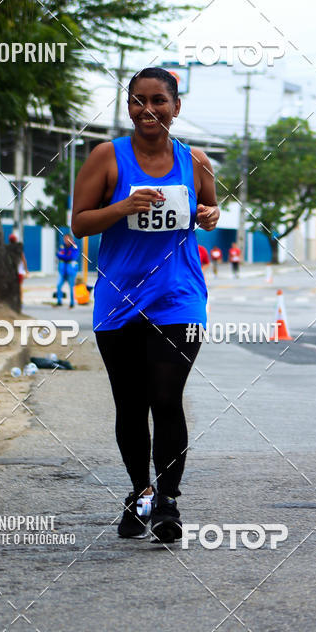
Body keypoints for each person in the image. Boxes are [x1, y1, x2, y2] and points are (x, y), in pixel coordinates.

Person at [71, 67, 219, 544]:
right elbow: (79, 223)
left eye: (158, 100)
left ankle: (168, 501)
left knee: (165, 397)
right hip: (120, 302)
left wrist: (210, 214)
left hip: (180, 298)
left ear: (176, 107)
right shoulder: (106, 157)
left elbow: (209, 212)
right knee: (130, 406)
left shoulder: (195, 161)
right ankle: (140, 492)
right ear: (128, 106)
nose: (147, 109)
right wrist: (122, 208)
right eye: (137, 100)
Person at [55, 233, 79, 307]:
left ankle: (72, 303)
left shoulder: (74, 247)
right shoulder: (62, 246)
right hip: (62, 270)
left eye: (67, 239)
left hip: (71, 271)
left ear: (71, 239)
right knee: (58, 285)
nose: (66, 241)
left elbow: (72, 257)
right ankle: (59, 301)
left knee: (71, 287)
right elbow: (58, 255)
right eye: (64, 239)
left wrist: (63, 256)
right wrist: (65, 256)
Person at [8, 233, 29, 303]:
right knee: (19, 286)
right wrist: (26, 270)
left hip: (11, 271)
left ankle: (13, 299)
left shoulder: (8, 250)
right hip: (19, 271)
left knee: (12, 286)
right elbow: (24, 260)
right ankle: (20, 299)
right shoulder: (19, 250)